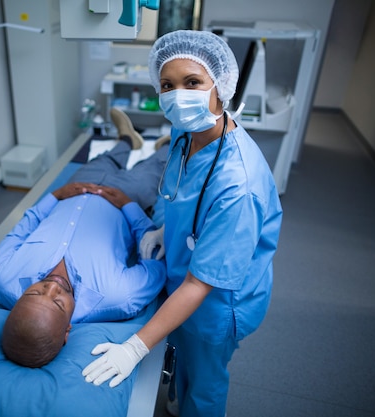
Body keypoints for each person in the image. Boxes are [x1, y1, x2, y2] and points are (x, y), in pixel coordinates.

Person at [82, 30, 283, 417]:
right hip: (185, 271)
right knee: (181, 354)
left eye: (192, 82)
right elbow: (176, 187)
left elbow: (199, 285)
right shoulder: (186, 130)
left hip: (219, 303)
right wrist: (163, 229)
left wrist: (134, 348)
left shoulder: (239, 186)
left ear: (221, 87)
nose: (178, 96)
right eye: (167, 85)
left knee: (204, 382)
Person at [0, 108, 170, 368]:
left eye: (34, 293)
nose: (52, 286)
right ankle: (164, 146)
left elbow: (20, 230)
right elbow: (155, 258)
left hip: (74, 189)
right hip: (125, 198)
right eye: (58, 303)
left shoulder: (4, 278)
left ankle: (127, 140)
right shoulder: (118, 296)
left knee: (104, 159)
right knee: (154, 168)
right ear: (67, 331)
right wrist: (129, 207)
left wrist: (55, 195)